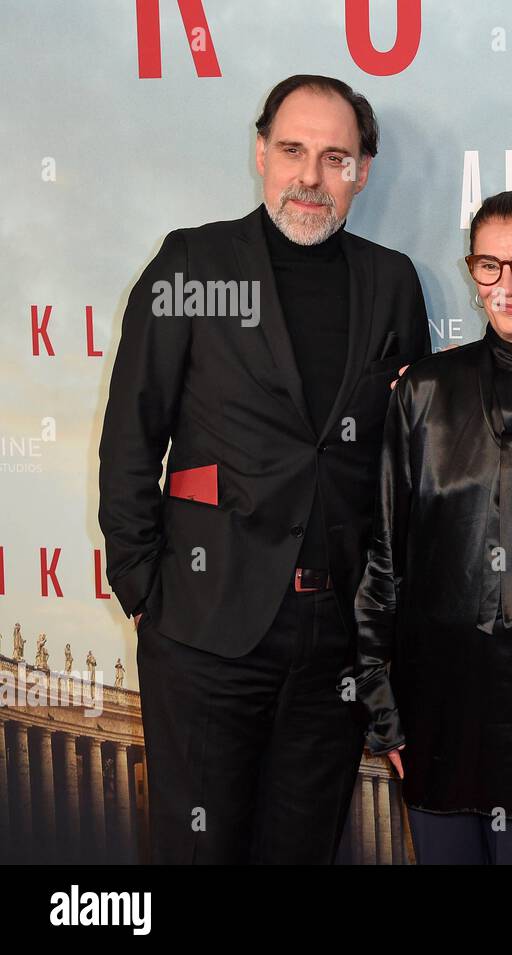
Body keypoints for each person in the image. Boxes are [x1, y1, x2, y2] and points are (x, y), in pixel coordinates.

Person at [98, 74, 430, 863]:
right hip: (205, 629)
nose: (311, 176)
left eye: (334, 156)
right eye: (293, 151)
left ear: (363, 170)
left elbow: (407, 462)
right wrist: (146, 586)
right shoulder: (194, 259)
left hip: (335, 645)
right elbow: (131, 434)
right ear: (260, 154)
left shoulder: (393, 282)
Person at [355, 189, 512, 865]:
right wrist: (380, 700)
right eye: (488, 265)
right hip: (437, 716)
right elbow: (384, 559)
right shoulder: (422, 390)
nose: (506, 286)